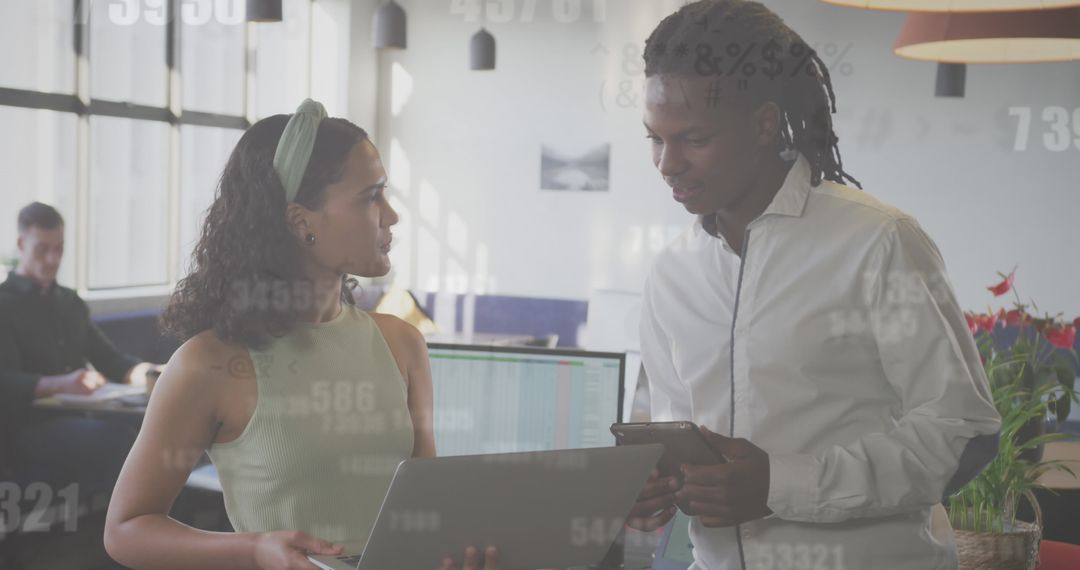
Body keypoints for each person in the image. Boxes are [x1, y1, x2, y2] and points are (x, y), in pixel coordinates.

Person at [625, 2, 1001, 569]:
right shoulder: (671, 273)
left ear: (762, 123)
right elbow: (666, 434)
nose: (667, 164)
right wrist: (652, 484)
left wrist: (782, 485)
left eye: (694, 139)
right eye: (656, 139)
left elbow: (964, 435)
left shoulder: (878, 242)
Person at [103, 100, 497, 570]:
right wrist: (252, 550)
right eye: (371, 196)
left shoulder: (402, 344)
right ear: (300, 220)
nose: (391, 216)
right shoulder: (208, 364)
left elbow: (426, 511)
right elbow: (127, 529)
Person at [0, 201, 161, 496]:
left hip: (80, 418)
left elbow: (112, 361)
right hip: (28, 428)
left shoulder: (69, 302)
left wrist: (156, 373)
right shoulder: (3, 304)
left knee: (161, 432)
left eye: (59, 249)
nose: (52, 259)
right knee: (121, 440)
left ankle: (172, 529)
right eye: (42, 249)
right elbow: (5, 382)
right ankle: (133, 534)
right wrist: (60, 384)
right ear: (22, 244)